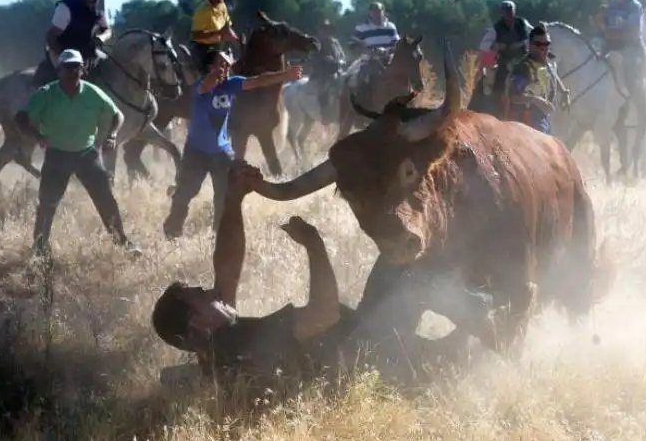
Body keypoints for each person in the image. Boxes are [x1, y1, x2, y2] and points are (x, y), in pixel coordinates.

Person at [154, 162, 464, 389]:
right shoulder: (238, 341)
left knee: (438, 337)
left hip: (364, 350)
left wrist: (234, 199)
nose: (212, 292)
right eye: (203, 294)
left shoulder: (216, 352)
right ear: (198, 319)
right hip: (375, 357)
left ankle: (461, 340)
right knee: (402, 264)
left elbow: (227, 266)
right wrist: (314, 244)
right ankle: (482, 313)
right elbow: (323, 314)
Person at [162, 49, 303, 240]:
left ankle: (219, 235)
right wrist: (213, 76)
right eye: (221, 63)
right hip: (196, 152)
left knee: (224, 196)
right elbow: (205, 86)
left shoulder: (231, 84)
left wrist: (284, 75)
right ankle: (172, 232)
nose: (226, 67)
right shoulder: (199, 87)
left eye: (228, 64)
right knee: (185, 194)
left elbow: (259, 80)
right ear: (210, 67)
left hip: (221, 153)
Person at [15, 49, 141, 258]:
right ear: (59, 70)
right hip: (57, 156)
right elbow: (21, 117)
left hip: (86, 155)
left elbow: (117, 114)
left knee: (106, 200)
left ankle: (122, 242)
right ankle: (39, 250)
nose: (72, 71)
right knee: (47, 204)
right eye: (68, 67)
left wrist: (112, 134)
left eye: (76, 67)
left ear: (82, 69)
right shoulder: (46, 94)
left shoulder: (93, 92)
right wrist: (36, 134)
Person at [34, 0, 112, 86]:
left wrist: (102, 37)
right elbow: (51, 36)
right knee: (71, 78)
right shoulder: (67, 6)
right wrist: (64, 57)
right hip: (63, 49)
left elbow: (107, 29)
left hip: (88, 51)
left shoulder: (100, 2)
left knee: (113, 66)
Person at [602, 0, 646, 141]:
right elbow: (603, 28)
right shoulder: (611, 6)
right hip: (612, 46)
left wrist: (611, 33)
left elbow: (632, 33)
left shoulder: (635, 7)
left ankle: (638, 112)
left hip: (632, 48)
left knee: (630, 76)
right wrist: (601, 19)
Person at [503, 25, 562, 134]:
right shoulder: (523, 67)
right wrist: (537, 101)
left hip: (543, 119)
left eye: (547, 44)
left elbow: (554, 77)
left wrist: (563, 92)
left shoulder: (545, 63)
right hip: (526, 121)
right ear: (530, 46)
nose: (544, 48)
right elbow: (514, 95)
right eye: (539, 44)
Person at [189, 0, 240, 72]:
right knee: (220, 66)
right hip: (202, 49)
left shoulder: (222, 6)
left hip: (217, 46)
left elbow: (227, 28)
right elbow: (196, 35)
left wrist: (237, 41)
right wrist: (218, 32)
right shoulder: (202, 11)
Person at [491, 1, 532, 106]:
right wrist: (497, 45)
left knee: (531, 76)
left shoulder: (521, 23)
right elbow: (488, 45)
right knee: (499, 81)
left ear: (514, 12)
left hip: (522, 58)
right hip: (505, 59)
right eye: (506, 12)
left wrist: (519, 44)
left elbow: (529, 37)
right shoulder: (497, 27)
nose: (508, 15)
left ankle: (530, 100)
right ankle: (497, 104)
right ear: (502, 13)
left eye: (510, 12)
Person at [309, 19, 347, 115]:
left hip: (338, 70)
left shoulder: (335, 42)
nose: (325, 32)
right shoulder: (315, 43)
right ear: (319, 30)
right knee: (326, 85)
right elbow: (312, 59)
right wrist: (324, 61)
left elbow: (343, 56)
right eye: (323, 29)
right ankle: (325, 111)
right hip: (321, 73)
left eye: (327, 29)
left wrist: (340, 62)